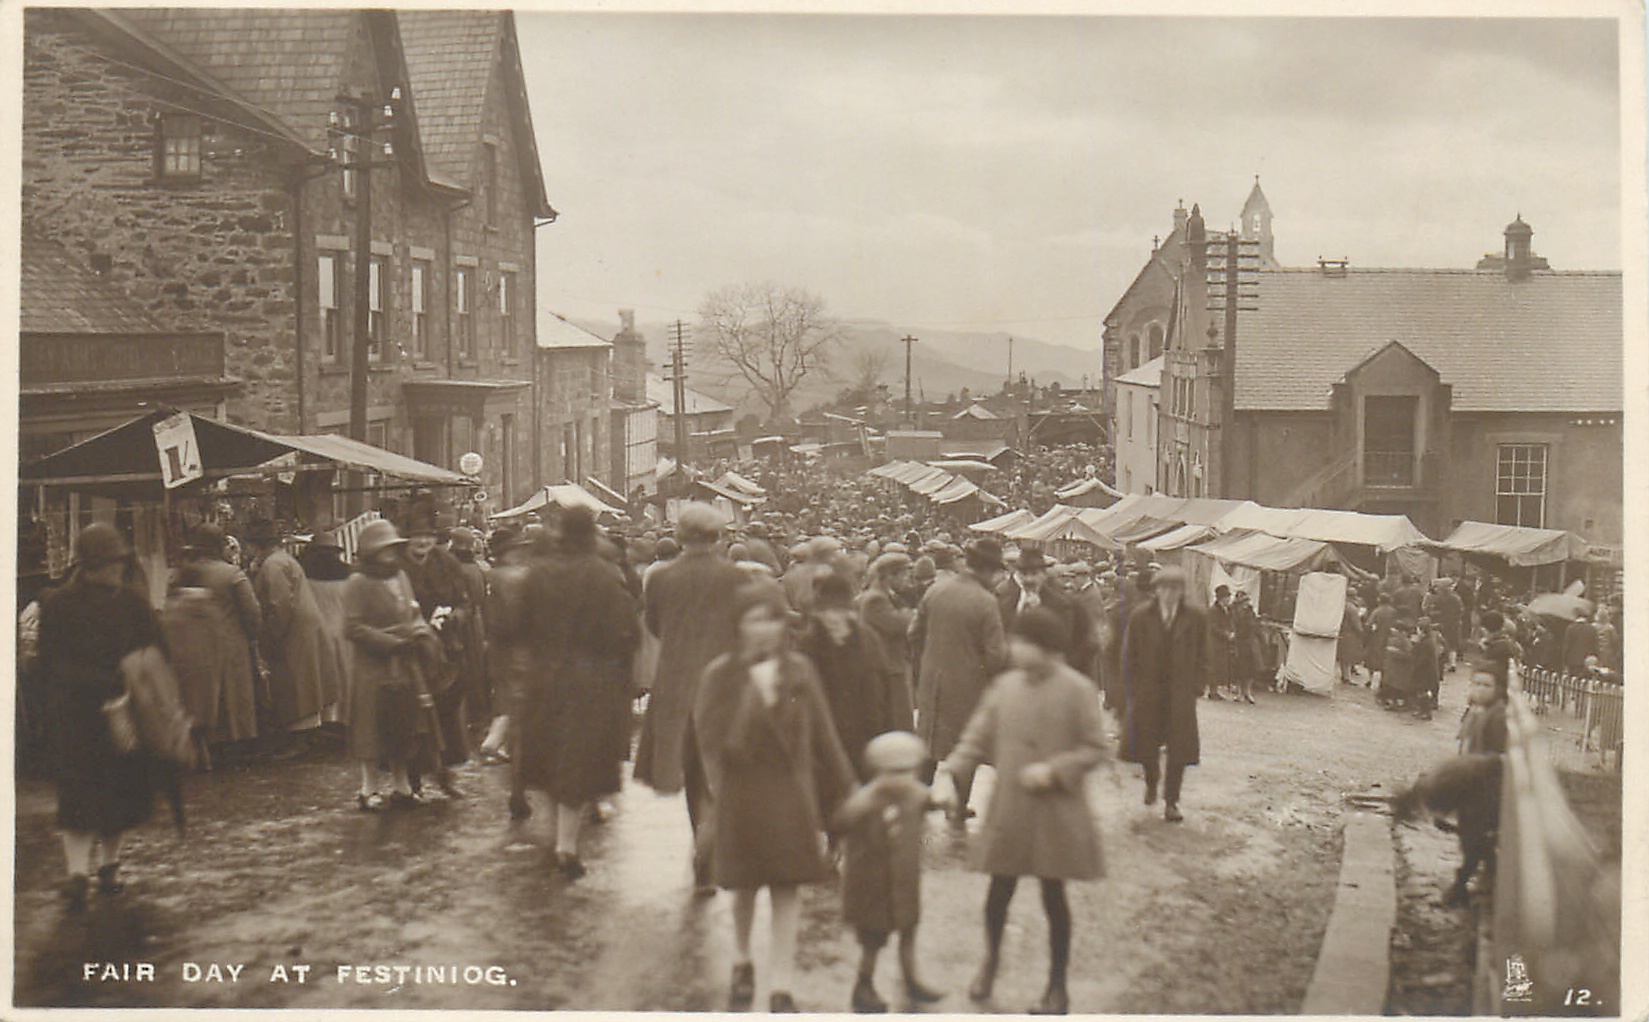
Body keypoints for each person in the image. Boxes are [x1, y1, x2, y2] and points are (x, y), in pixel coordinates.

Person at [694, 581, 857, 1013]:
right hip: (742, 794)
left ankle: (782, 984)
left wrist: (850, 788)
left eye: (772, 620)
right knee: (745, 887)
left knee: (788, 888)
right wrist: (718, 792)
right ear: (738, 626)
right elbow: (709, 742)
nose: (765, 629)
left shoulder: (800, 671)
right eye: (754, 620)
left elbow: (826, 735)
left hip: (790, 796)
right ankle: (742, 959)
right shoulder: (720, 675)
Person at [941, 607, 1108, 1015]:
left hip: (1056, 812)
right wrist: (951, 770)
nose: (1015, 650)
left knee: (1054, 898)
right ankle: (989, 964)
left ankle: (1057, 986)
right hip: (1011, 810)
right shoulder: (1004, 687)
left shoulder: (1078, 690)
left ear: (1047, 648)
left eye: (1024, 643)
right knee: (999, 892)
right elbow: (975, 737)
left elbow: (1096, 748)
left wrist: (1054, 770)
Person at [38, 524, 164, 909]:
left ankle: (109, 866)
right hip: (77, 714)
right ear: (89, 565)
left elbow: (156, 649)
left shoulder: (132, 602)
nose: (116, 569)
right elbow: (49, 662)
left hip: (121, 713)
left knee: (118, 792)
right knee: (77, 796)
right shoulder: (59, 604)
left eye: (119, 562)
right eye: (109, 563)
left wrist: (144, 682)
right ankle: (77, 873)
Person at [515, 507, 639, 877]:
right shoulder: (603, 574)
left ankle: (557, 835)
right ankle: (566, 844)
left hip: (543, 676)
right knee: (578, 756)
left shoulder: (537, 572)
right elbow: (624, 632)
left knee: (551, 753)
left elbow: (516, 625)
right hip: (590, 679)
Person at [636, 502, 748, 890]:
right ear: (717, 536)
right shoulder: (735, 577)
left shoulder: (661, 578)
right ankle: (709, 844)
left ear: (681, 536)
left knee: (692, 767)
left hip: (676, 681)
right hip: (724, 679)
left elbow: (654, 625)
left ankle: (701, 838)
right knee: (722, 766)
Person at [831, 731, 944, 1013]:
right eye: (894, 772)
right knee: (873, 938)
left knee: (909, 929)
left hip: (904, 880)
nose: (902, 779)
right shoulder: (865, 801)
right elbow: (840, 821)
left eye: (908, 772)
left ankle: (911, 978)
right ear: (877, 771)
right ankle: (864, 984)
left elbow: (932, 799)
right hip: (872, 884)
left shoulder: (914, 794)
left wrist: (946, 799)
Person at [343, 520, 443, 809]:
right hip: (372, 666)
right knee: (370, 727)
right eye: (384, 549)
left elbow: (413, 612)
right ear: (371, 551)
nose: (389, 554)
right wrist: (390, 643)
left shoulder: (400, 576)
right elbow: (352, 627)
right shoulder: (358, 582)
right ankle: (368, 789)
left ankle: (402, 786)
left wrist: (421, 633)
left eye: (392, 548)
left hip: (405, 664)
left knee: (403, 725)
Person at [911, 537, 1009, 828]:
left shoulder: (936, 590)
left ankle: (917, 801)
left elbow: (913, 632)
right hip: (968, 687)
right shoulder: (986, 602)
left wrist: (927, 663)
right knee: (965, 746)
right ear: (988, 570)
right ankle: (958, 806)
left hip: (932, 682)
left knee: (928, 743)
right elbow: (995, 656)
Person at [797, 572, 912, 778]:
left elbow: (885, 694)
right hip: (824, 749)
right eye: (826, 611)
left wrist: (886, 738)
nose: (833, 618)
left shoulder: (868, 641)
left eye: (839, 611)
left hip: (867, 740)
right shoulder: (808, 645)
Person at [1120, 565, 1206, 823]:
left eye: (1175, 589)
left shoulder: (1195, 617)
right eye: (1164, 588)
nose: (1169, 594)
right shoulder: (1140, 616)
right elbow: (1129, 654)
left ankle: (1171, 801)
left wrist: (1197, 686)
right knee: (1146, 742)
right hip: (1149, 690)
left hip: (1180, 691)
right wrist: (1133, 687)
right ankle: (1151, 781)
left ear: (1182, 591)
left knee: (1178, 748)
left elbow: (1204, 653)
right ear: (1156, 590)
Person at [243, 520, 335, 746]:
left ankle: (300, 738)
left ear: (256, 545)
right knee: (303, 682)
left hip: (293, 631)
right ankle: (307, 734)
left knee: (296, 683)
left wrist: (271, 637)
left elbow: (279, 605)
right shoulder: (280, 560)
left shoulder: (273, 566)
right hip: (301, 627)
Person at [401, 512, 473, 796]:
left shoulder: (447, 564)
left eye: (428, 536)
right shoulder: (397, 568)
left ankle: (444, 773)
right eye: (416, 536)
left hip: (446, 650)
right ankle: (412, 779)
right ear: (407, 539)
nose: (422, 542)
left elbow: (466, 604)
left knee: (447, 714)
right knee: (413, 716)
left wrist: (454, 617)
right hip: (410, 649)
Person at [173, 522, 261, 750]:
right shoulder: (232, 574)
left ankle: (206, 745)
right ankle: (235, 743)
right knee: (232, 697)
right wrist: (252, 637)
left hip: (193, 647)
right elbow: (252, 614)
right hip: (230, 644)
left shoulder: (182, 573)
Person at [997, 548, 1099, 684]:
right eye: (1024, 574)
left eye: (1034, 574)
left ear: (1043, 575)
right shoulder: (1006, 604)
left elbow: (1076, 647)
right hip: (1016, 682)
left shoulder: (1063, 605)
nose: (1029, 579)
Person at [297, 529, 352, 731]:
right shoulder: (349, 575)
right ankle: (343, 719)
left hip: (316, 634)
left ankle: (323, 721)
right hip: (342, 633)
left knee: (320, 678)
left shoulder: (303, 575)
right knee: (344, 677)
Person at [1230, 590, 1263, 703]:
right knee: (1240, 668)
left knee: (1251, 668)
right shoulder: (1233, 611)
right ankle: (1240, 692)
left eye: (1246, 601)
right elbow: (1233, 624)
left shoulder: (1250, 612)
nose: (1245, 604)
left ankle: (1247, 692)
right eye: (1243, 601)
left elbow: (1254, 625)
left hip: (1250, 642)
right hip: (1239, 642)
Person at [1206, 585, 1235, 700]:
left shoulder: (1228, 610)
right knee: (1213, 666)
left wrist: (1231, 632)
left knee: (1220, 666)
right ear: (1221, 598)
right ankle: (1212, 691)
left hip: (1223, 643)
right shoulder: (1213, 611)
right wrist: (1226, 634)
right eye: (1227, 597)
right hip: (1214, 642)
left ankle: (1215, 690)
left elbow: (1230, 623)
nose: (1229, 599)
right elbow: (1213, 627)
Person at [1364, 593, 1398, 689]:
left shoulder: (1377, 611)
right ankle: (1383, 680)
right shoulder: (1393, 611)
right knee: (1385, 659)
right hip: (1389, 638)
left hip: (1376, 638)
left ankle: (1370, 679)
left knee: (1372, 659)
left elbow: (1369, 624)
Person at [1337, 596, 1365, 686]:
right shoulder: (1352, 609)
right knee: (1348, 657)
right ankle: (1347, 677)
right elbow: (1356, 624)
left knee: (1343, 657)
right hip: (1350, 634)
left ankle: (1344, 675)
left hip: (1341, 632)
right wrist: (1362, 633)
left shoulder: (1341, 605)